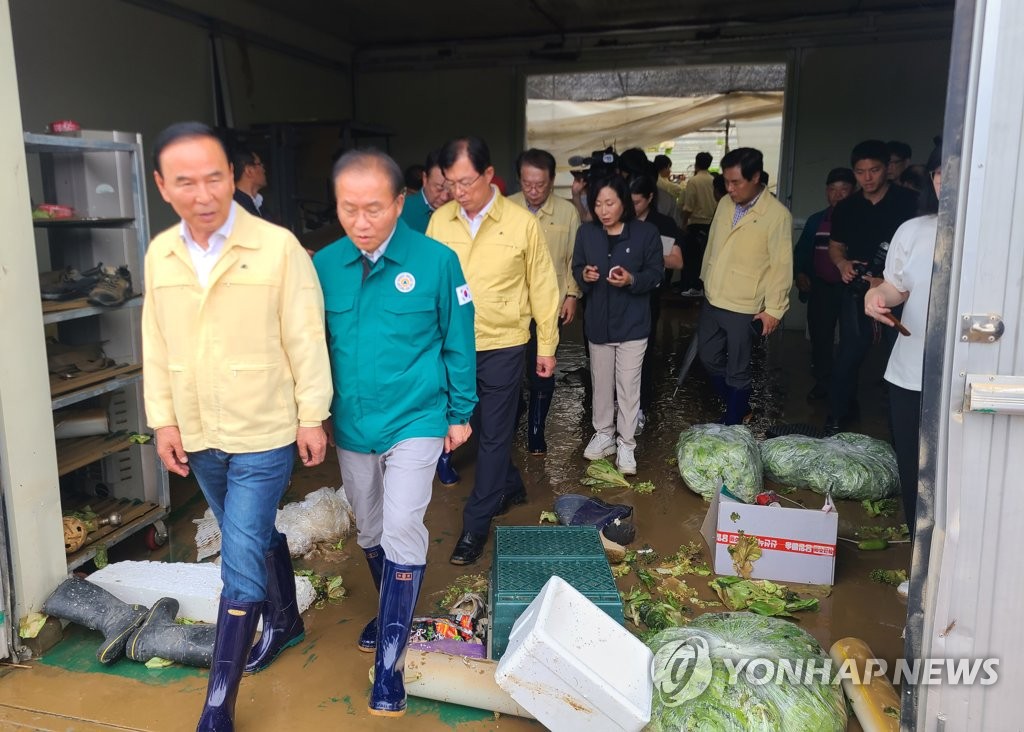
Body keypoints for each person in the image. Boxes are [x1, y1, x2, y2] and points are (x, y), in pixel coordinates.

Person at [142, 122, 332, 730]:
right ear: (162, 186)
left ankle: (218, 705)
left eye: (214, 177)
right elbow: (155, 342)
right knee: (246, 533)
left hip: (263, 428)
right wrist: (162, 421)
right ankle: (287, 618)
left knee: (238, 559)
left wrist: (312, 415)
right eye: (185, 181)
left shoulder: (277, 248)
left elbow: (306, 338)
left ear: (233, 176)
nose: (202, 193)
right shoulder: (160, 254)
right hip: (198, 433)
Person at [313, 150, 477, 715]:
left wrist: (460, 410)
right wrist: (310, 414)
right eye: (349, 209)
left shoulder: (437, 261)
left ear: (400, 203)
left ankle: (390, 661)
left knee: (404, 521)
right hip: (354, 423)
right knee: (371, 526)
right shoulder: (324, 266)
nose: (361, 222)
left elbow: (459, 338)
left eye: (374, 209)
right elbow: (309, 350)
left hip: (417, 415)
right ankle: (391, 613)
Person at [426, 136, 560, 566]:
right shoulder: (440, 223)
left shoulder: (521, 223)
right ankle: (512, 484)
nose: (457, 193)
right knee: (480, 428)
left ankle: (475, 525)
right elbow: (428, 286)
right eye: (450, 184)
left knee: (495, 433)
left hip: (503, 343)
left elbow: (543, 285)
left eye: (465, 182)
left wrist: (547, 345)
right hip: (454, 345)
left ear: (488, 175)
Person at [864, 141, 942, 539]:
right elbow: (897, 288)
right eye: (942, 172)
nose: (950, 182)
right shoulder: (914, 230)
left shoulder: (1000, 235)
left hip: (971, 381)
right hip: (910, 373)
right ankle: (920, 557)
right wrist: (875, 296)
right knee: (913, 466)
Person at [572, 176, 664, 475]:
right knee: (601, 384)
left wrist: (632, 279)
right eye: (597, 203)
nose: (603, 210)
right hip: (599, 321)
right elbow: (576, 267)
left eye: (609, 203)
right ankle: (603, 435)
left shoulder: (645, 233)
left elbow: (656, 274)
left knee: (627, 386)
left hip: (632, 324)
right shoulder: (586, 233)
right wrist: (584, 274)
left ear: (623, 202)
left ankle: (626, 443)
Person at [826, 140, 919, 432]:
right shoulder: (846, 207)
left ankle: (900, 424)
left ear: (888, 169)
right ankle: (838, 416)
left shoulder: (910, 202)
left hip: (902, 293)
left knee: (901, 354)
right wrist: (842, 265)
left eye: (874, 170)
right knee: (849, 354)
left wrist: (888, 282)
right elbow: (835, 247)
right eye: (860, 171)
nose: (867, 178)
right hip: (857, 288)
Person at [698, 147, 793, 425]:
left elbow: (781, 266)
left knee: (737, 369)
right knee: (708, 357)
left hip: (745, 304)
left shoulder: (777, 216)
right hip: (714, 297)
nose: (729, 188)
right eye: (726, 181)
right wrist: (706, 279)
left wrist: (775, 308)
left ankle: (732, 426)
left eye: (736, 182)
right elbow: (714, 245)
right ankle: (739, 408)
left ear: (756, 177)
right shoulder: (726, 204)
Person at [508, 148, 581, 454]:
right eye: (527, 184)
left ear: (552, 181)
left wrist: (573, 295)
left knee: (543, 367)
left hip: (549, 306)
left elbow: (574, 259)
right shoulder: (505, 208)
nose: (534, 191)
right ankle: (511, 419)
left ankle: (536, 432)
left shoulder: (568, 212)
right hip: (510, 307)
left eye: (540, 184)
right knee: (510, 370)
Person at [793, 167, 856, 401]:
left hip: (851, 290)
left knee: (852, 340)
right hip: (822, 287)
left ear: (854, 191)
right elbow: (801, 251)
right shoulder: (816, 220)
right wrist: (799, 273)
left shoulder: (861, 219)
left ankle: (846, 387)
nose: (837, 195)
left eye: (844, 190)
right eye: (832, 190)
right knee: (821, 338)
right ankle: (823, 382)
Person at [628, 175, 683, 430]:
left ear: (650, 198)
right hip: (619, 296)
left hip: (648, 294)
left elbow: (677, 262)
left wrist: (647, 256)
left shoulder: (663, 224)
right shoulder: (618, 218)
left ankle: (640, 406)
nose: (631, 207)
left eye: (637, 202)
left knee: (643, 351)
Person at [679, 152, 717, 297]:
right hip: (710, 224)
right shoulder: (712, 179)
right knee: (705, 257)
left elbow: (688, 206)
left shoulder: (694, 181)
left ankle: (692, 286)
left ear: (696, 163)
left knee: (691, 258)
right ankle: (703, 288)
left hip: (696, 224)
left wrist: (683, 224)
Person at [400, 148, 452, 235]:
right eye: (439, 188)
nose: (445, 197)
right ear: (424, 179)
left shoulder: (464, 211)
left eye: (451, 188)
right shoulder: (401, 211)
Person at [231, 147, 268, 218]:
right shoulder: (235, 208)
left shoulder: (259, 204)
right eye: (260, 165)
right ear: (249, 171)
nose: (264, 170)